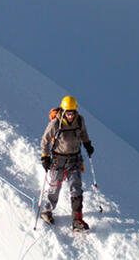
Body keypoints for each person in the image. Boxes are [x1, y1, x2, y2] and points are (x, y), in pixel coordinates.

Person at [40, 95, 95, 231]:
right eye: (68, 113)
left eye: (72, 113)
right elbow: (45, 140)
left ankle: (77, 220)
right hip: (59, 159)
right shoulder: (56, 123)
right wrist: (45, 156)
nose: (70, 116)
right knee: (55, 187)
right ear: (64, 112)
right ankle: (46, 211)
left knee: (76, 189)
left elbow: (83, 134)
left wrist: (87, 144)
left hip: (75, 160)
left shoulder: (80, 121)